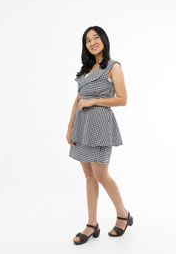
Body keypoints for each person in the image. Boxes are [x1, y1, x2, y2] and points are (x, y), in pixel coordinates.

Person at [66, 26, 133, 245]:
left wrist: (94, 101)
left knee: (101, 174)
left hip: (100, 126)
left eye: (96, 38)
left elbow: (122, 99)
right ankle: (92, 223)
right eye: (87, 40)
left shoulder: (113, 66)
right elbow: (78, 99)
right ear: (85, 45)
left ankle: (123, 214)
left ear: (104, 40)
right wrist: (70, 126)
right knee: (88, 175)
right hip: (81, 126)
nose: (92, 42)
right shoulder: (85, 69)